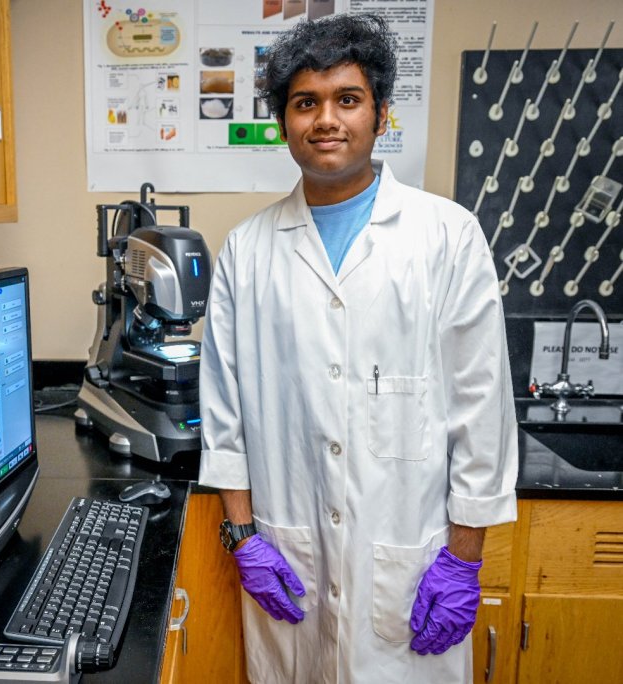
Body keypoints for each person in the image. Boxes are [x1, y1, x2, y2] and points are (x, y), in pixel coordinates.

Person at [198, 13, 519, 684]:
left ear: (380, 115)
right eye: (304, 103)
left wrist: (463, 561)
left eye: (347, 99)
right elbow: (224, 416)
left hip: (408, 571)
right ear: (282, 121)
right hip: (292, 560)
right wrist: (245, 538)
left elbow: (480, 411)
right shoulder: (247, 253)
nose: (326, 120)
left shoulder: (447, 237)